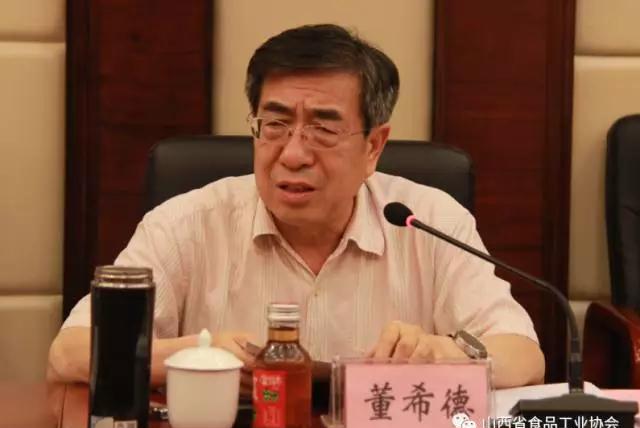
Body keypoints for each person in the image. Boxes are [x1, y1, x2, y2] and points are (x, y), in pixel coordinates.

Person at [48, 24, 544, 390]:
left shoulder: (428, 220)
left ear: (374, 146)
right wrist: (199, 355)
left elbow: (524, 355)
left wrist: (444, 355)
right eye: (275, 124)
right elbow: (70, 352)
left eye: (323, 129)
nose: (292, 154)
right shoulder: (186, 224)